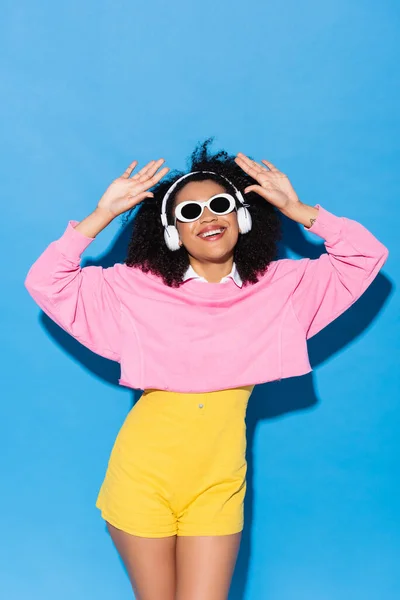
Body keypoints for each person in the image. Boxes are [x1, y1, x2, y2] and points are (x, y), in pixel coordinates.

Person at [24, 138, 389, 600]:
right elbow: (45, 281)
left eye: (219, 204)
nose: (207, 218)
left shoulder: (281, 289)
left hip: (218, 483)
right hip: (142, 479)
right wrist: (102, 216)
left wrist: (297, 209)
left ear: (241, 216)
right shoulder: (137, 289)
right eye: (188, 212)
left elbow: (365, 256)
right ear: (173, 232)